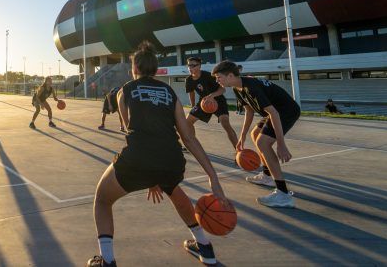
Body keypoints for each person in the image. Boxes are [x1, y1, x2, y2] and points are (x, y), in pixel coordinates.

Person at [87, 42, 231, 267]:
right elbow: (188, 137)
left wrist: (148, 175)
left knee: (102, 199)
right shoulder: (169, 91)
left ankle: (106, 261)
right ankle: (205, 246)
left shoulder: (125, 90)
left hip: (140, 157)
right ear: (155, 70)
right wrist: (213, 176)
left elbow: (129, 130)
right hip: (172, 160)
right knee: (173, 188)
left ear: (134, 68)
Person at [212, 60, 300, 208]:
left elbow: (273, 113)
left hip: (286, 111)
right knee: (255, 134)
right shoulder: (237, 88)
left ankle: (283, 194)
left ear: (230, 75)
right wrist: (242, 136)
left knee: (262, 142)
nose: (217, 80)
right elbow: (249, 111)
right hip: (274, 111)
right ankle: (267, 176)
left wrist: (281, 144)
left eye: (219, 77)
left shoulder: (251, 86)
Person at [184, 57, 238, 151]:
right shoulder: (188, 80)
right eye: (189, 65)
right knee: (188, 121)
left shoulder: (208, 75)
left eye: (193, 65)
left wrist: (212, 96)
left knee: (225, 124)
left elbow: (222, 89)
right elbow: (191, 93)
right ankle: (192, 144)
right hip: (204, 102)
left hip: (218, 100)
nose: (190, 67)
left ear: (199, 66)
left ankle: (239, 151)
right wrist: (193, 106)